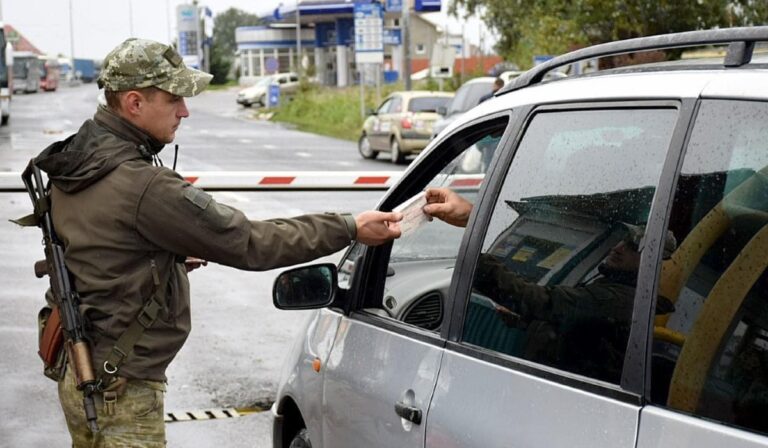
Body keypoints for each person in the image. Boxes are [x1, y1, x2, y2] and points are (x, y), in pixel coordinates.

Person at [33, 38, 402, 447]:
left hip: (79, 368)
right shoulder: (143, 185)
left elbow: (100, 249)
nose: (185, 110)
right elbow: (251, 242)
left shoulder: (78, 160)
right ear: (134, 103)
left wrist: (165, 257)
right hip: (120, 389)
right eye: (174, 98)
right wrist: (349, 227)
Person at [423, 187, 676, 382]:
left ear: (654, 264)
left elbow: (546, 303)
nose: (618, 247)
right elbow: (574, 327)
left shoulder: (619, 298)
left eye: (633, 247)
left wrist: (478, 259)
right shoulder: (613, 286)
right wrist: (524, 320)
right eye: (623, 239)